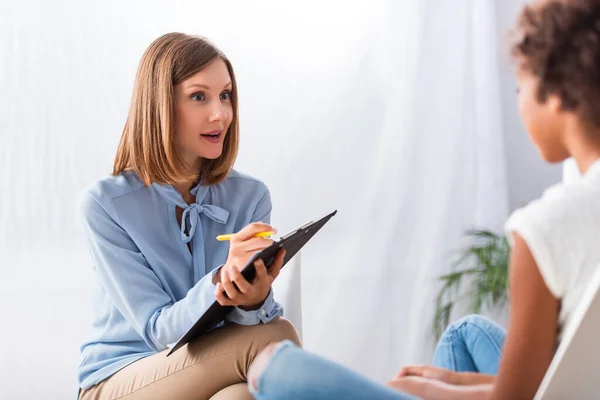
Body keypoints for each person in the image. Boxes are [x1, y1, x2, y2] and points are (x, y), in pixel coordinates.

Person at [246, 0, 600, 398]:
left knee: (273, 365)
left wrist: (438, 395)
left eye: (522, 87)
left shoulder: (544, 228)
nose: (519, 105)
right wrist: (453, 384)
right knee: (464, 334)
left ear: (555, 94)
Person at [76, 32, 300, 400]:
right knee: (277, 338)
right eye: (199, 97)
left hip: (211, 368)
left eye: (225, 95)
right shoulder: (104, 204)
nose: (220, 114)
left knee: (241, 395)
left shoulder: (251, 196)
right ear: (159, 105)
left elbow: (238, 326)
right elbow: (158, 330)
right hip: (121, 379)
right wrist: (219, 281)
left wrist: (252, 300)